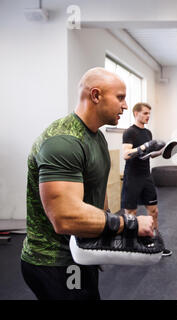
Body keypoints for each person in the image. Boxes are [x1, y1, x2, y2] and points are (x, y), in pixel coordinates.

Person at [21, 67, 156, 300]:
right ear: (95, 95)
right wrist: (130, 223)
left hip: (81, 253)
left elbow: (98, 191)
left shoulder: (96, 136)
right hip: (55, 261)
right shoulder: (63, 141)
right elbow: (65, 217)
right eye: (120, 98)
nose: (125, 106)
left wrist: (103, 240)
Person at [121, 102, 172, 257]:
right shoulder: (129, 132)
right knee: (131, 212)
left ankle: (154, 240)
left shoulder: (148, 132)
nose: (148, 116)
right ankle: (129, 244)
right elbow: (126, 154)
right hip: (132, 176)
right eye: (145, 113)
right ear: (136, 113)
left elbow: (148, 154)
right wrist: (145, 146)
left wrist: (163, 151)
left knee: (154, 211)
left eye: (149, 113)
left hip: (146, 176)